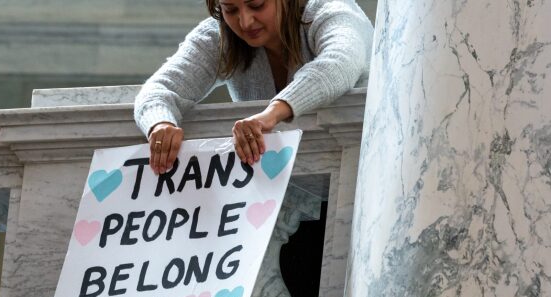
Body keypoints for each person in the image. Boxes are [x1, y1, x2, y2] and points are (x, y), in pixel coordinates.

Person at [134, 0, 373, 174]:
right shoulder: (218, 36)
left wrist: (272, 115)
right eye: (230, 9)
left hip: (358, 170)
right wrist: (161, 124)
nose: (245, 21)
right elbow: (159, 90)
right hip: (269, 188)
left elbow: (341, 61)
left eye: (257, 5)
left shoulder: (331, 11)